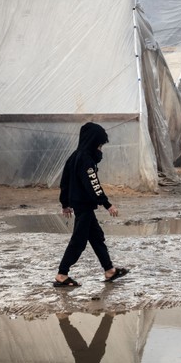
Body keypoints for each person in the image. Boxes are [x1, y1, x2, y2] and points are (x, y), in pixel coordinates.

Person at [55, 122, 128, 287]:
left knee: (96, 238)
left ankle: (109, 270)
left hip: (80, 205)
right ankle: (62, 274)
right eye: (100, 145)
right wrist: (107, 204)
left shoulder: (74, 156)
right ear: (93, 142)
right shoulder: (86, 160)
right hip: (84, 206)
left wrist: (65, 203)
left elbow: (64, 182)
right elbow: (93, 185)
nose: (100, 149)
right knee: (78, 241)